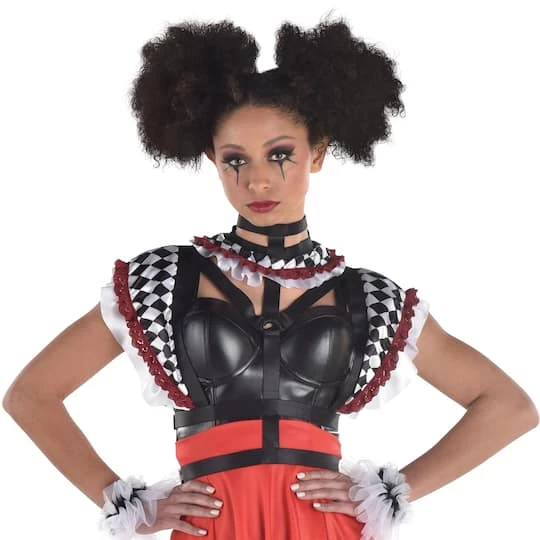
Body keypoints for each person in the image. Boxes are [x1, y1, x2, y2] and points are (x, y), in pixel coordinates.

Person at [3, 15, 538, 540]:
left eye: (280, 154)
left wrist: (395, 490)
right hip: (213, 525)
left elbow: (509, 407)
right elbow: (31, 395)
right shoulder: (163, 280)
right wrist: (129, 503)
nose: (257, 180)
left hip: (326, 528)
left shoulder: (370, 299)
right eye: (235, 160)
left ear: (318, 152)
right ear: (213, 159)